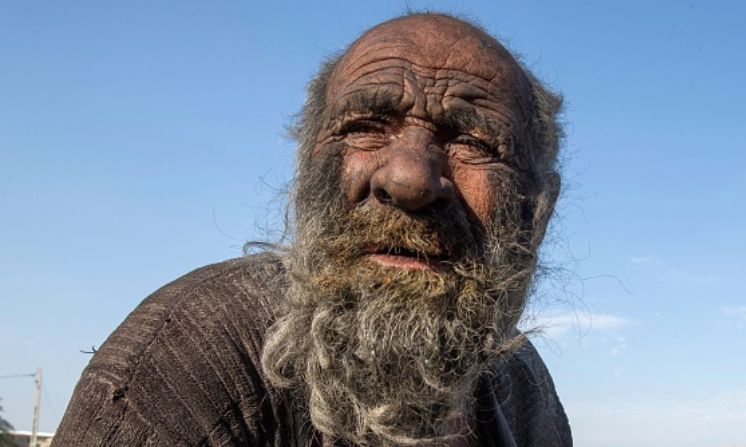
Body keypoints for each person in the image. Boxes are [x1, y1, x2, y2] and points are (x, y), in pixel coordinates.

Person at [52, 13, 571, 447]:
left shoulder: (524, 385)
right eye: (366, 127)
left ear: (537, 210)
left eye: (473, 143)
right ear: (310, 173)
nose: (409, 179)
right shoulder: (188, 359)